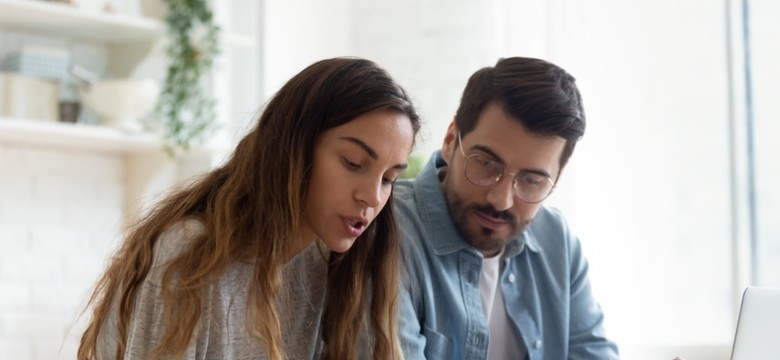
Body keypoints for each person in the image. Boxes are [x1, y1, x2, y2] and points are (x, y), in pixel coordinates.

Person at [77, 57, 421, 360]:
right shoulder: (191, 255)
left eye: (389, 178)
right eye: (353, 162)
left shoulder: (331, 260)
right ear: (295, 147)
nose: (373, 197)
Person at [395, 57, 619, 359]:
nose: (501, 199)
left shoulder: (557, 241)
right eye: (487, 164)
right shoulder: (390, 231)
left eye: (531, 180)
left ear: (555, 179)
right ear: (450, 141)